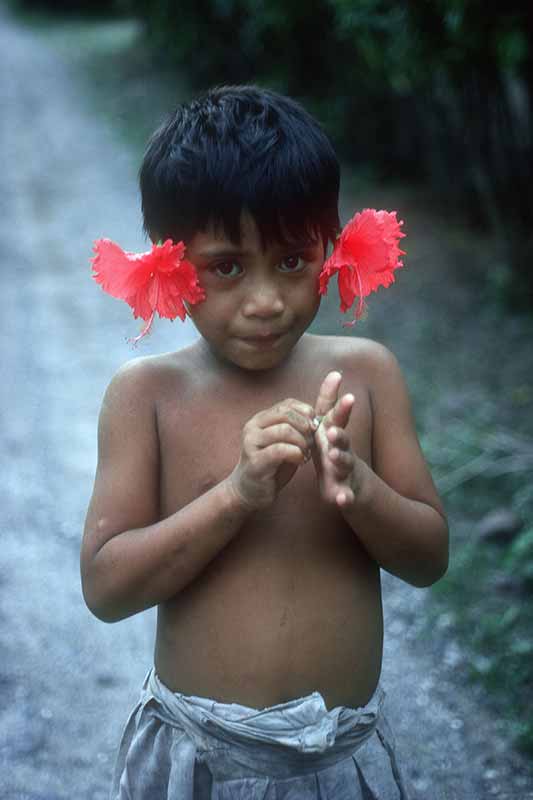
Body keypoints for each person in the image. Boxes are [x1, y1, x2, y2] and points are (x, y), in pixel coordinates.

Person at [81, 85, 449, 800]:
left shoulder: (365, 377)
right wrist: (236, 495)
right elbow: (106, 586)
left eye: (291, 261)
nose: (265, 300)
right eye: (226, 267)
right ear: (171, 265)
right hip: (198, 762)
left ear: (331, 251)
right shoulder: (146, 398)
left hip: (342, 764)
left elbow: (429, 558)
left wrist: (359, 489)